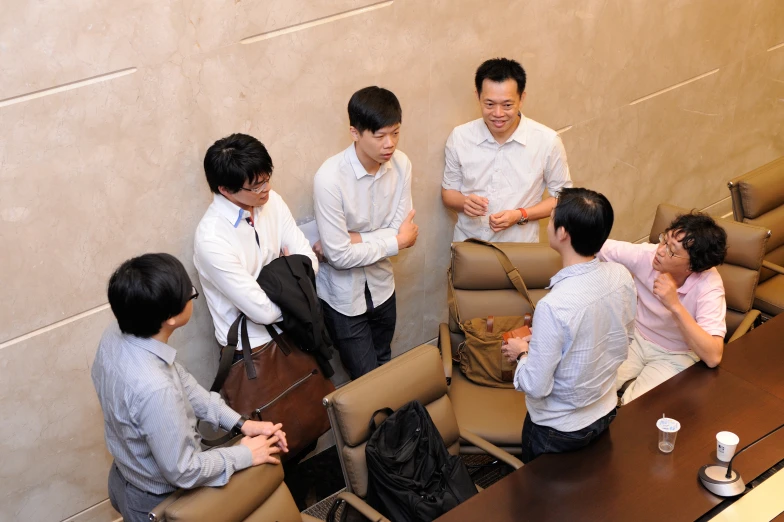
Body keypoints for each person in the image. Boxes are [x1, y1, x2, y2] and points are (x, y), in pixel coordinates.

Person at [92, 253, 288, 522]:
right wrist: (244, 454)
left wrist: (241, 424)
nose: (191, 295)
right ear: (170, 318)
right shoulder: (154, 389)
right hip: (161, 502)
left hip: (126, 478)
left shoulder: (116, 332)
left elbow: (181, 380)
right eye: (190, 294)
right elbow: (183, 471)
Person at [501, 188, 637, 463]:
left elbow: (536, 386)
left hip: (557, 430)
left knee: (537, 499)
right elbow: (624, 338)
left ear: (562, 233)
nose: (547, 225)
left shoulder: (554, 305)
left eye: (550, 219)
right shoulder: (622, 276)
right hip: (606, 408)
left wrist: (523, 353)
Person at [312, 86, 418, 379]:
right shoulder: (329, 179)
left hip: (383, 288)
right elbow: (339, 256)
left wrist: (357, 238)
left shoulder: (402, 164)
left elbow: (403, 230)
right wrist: (393, 241)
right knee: (365, 380)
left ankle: (391, 425)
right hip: (343, 298)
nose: (390, 144)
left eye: (395, 133)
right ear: (355, 133)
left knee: (384, 361)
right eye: (380, 135)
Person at [194, 133, 318, 356]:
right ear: (225, 190)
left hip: (294, 332)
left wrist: (289, 277)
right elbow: (263, 313)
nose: (267, 188)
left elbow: (310, 264)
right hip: (254, 348)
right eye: (256, 186)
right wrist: (290, 271)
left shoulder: (273, 202)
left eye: (267, 178)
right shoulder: (212, 238)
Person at [599, 212, 728, 405]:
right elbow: (596, 245)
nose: (660, 251)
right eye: (664, 240)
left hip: (677, 354)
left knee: (637, 409)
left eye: (671, 251)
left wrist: (674, 305)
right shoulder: (648, 256)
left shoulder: (709, 285)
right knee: (594, 387)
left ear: (692, 266)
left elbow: (713, 356)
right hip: (635, 338)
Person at [441, 57, 572, 243]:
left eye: (507, 105)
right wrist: (464, 203)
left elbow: (562, 199)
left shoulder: (547, 141)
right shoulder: (460, 136)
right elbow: (448, 193)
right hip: (468, 247)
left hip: (520, 251)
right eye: (489, 104)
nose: (498, 114)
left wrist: (520, 214)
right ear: (477, 96)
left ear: (522, 99)